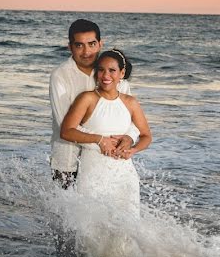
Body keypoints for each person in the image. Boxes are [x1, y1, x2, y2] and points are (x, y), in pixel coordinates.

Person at [61, 50, 152, 226]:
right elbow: (66, 131)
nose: (105, 75)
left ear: (122, 74)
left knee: (127, 229)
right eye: (101, 70)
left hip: (125, 175)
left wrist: (132, 148)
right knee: (91, 229)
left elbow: (147, 136)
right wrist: (99, 139)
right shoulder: (87, 98)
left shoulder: (130, 102)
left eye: (112, 70)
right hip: (93, 172)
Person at [49, 19, 139, 190]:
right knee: (65, 215)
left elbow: (131, 117)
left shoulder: (113, 75)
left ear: (100, 44)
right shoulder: (60, 76)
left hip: (108, 162)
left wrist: (129, 137)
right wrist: (100, 141)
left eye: (91, 44)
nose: (86, 51)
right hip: (68, 161)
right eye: (79, 45)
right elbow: (65, 125)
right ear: (70, 47)